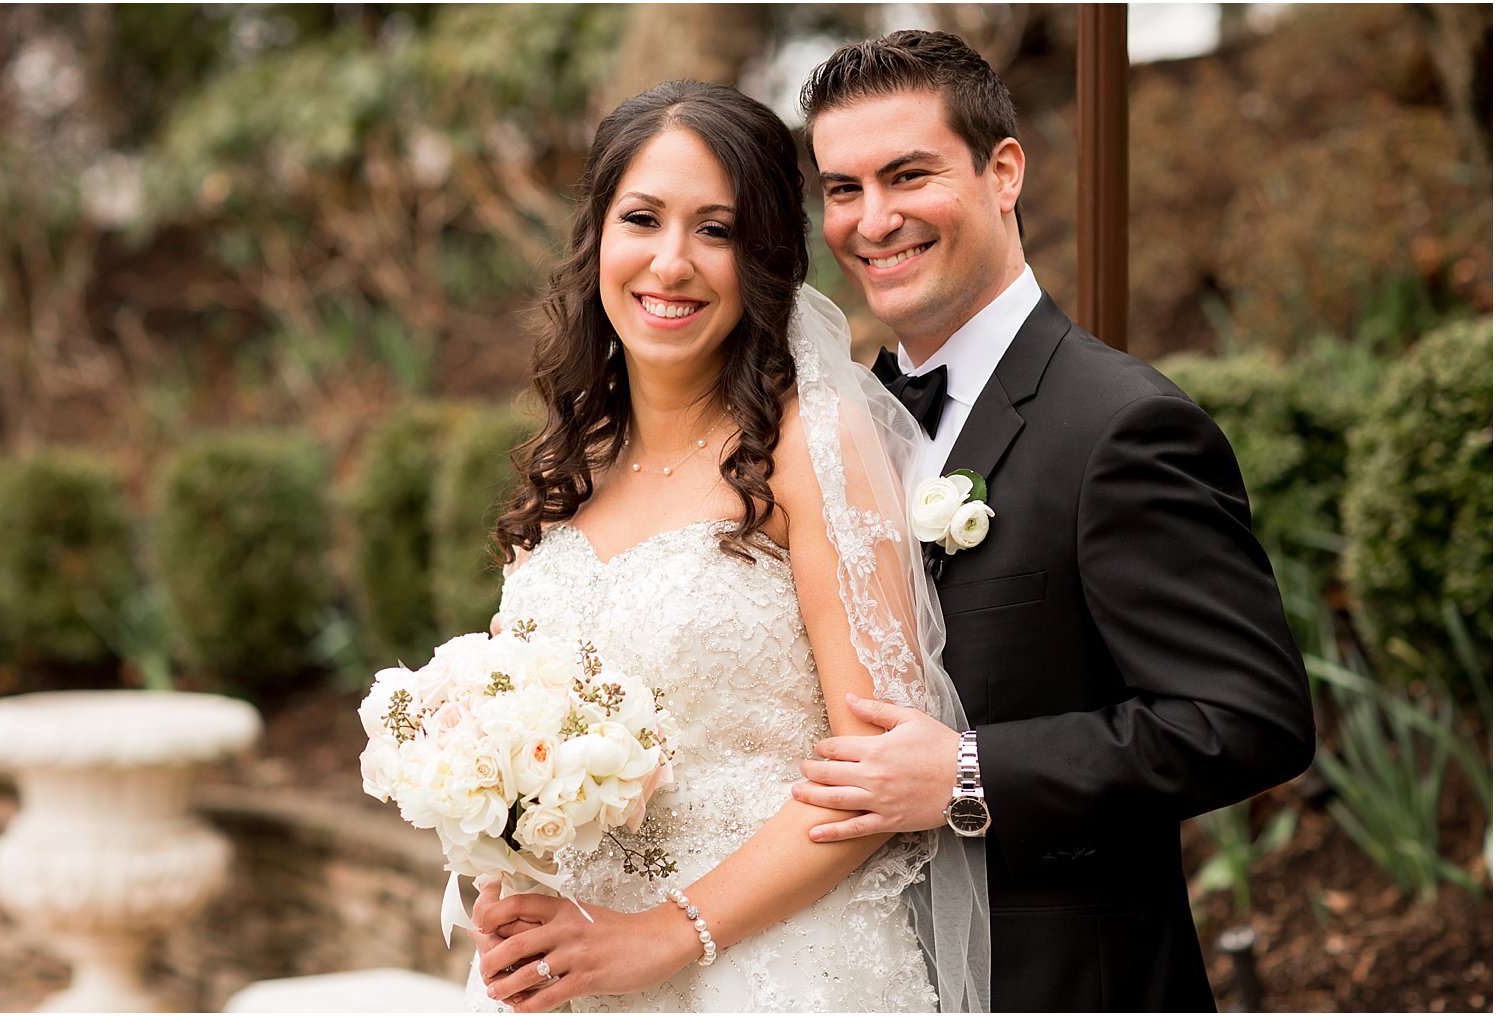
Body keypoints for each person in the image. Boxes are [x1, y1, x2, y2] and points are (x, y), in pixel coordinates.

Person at [788, 29, 1317, 1012]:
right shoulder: (829, 438)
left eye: (907, 174)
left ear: (1002, 171)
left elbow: (1246, 718)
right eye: (843, 188)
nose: (873, 218)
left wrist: (965, 772)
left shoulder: (1119, 426)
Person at [463, 79, 989, 1013]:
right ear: (597, 244)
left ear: (765, 262)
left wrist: (667, 933)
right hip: (565, 968)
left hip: (769, 966)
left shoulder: (809, 448)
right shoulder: (563, 466)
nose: (671, 263)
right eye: (643, 218)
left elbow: (875, 778)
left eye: (716, 230)